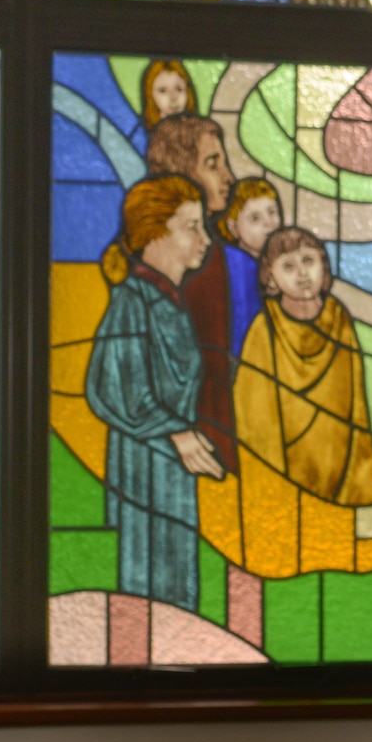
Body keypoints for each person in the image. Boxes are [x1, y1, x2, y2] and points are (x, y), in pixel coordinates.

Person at [85, 176, 224, 612]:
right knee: (148, 585)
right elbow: (113, 387)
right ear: (156, 232)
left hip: (170, 469)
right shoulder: (133, 299)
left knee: (176, 582)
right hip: (143, 465)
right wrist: (176, 433)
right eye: (192, 226)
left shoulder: (169, 300)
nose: (205, 238)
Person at [235, 227, 372, 505]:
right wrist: (272, 488)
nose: (302, 273)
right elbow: (255, 420)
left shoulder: (339, 319)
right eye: (288, 266)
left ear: (323, 267)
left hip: (337, 458)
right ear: (271, 278)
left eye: (308, 261)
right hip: (286, 463)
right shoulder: (264, 328)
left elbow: (356, 406)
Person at [145, 113, 238, 473]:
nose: (228, 178)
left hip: (209, 432)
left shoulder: (209, 252)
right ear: (181, 173)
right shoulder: (169, 264)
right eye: (213, 164)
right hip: (177, 444)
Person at [220, 176, 282, 352]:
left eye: (272, 212)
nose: (269, 224)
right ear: (234, 228)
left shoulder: (278, 265)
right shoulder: (236, 265)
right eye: (255, 218)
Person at [139, 59, 197, 130]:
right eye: (163, 91)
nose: (173, 97)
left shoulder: (200, 129)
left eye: (179, 89)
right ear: (150, 95)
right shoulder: (143, 131)